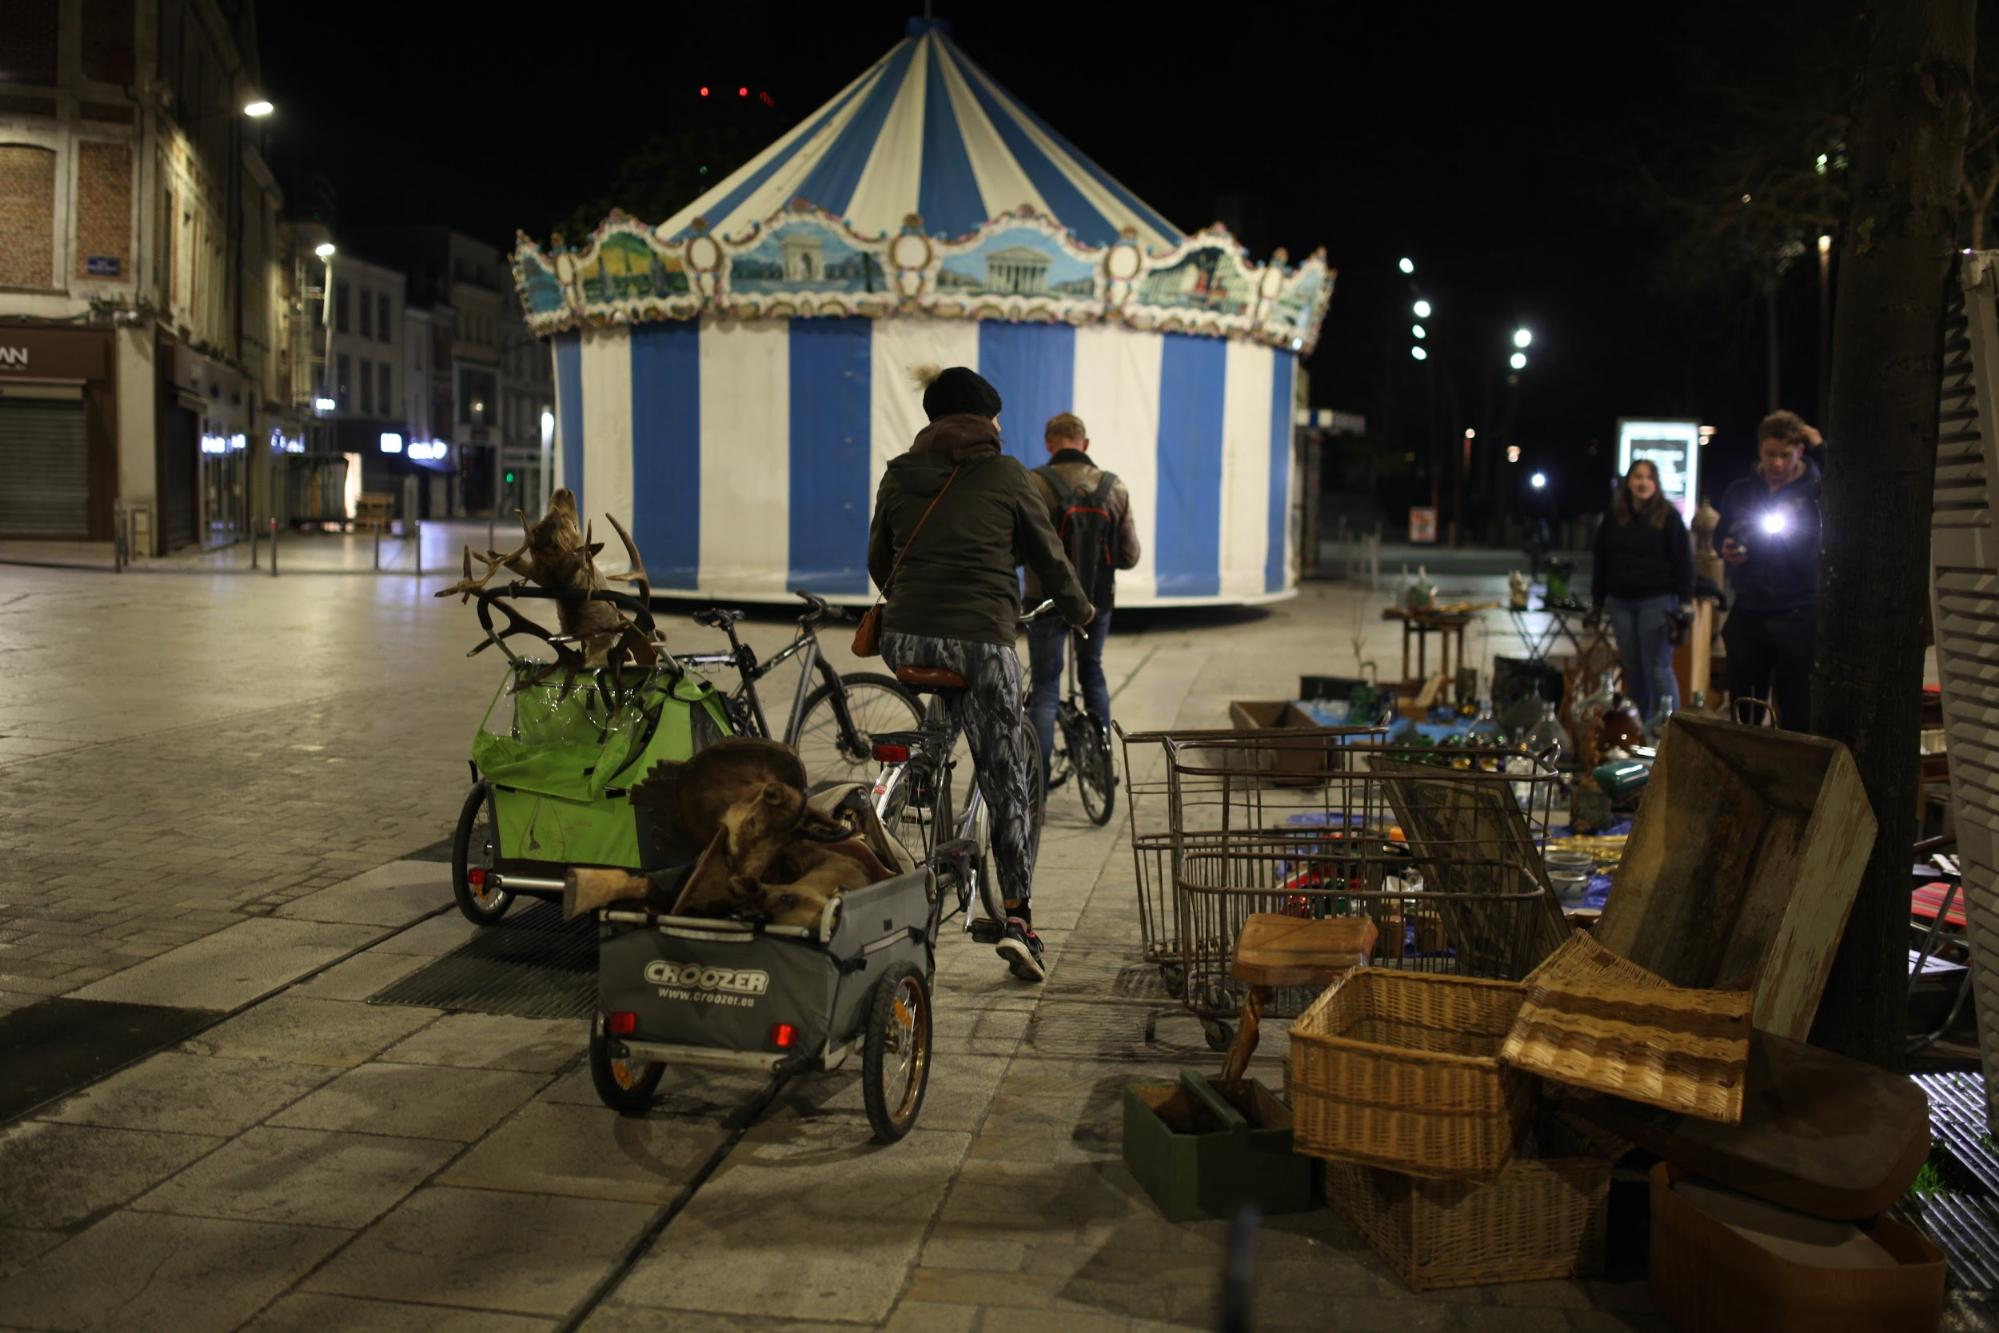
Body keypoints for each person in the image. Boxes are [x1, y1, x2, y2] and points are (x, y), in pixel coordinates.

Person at [866, 366, 1094, 982]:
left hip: (904, 638)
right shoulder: (1007, 473)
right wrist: (1079, 609)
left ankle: (915, 781)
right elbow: (1047, 552)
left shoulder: (898, 471)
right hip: (979, 640)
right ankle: (1019, 918)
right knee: (1005, 769)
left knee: (944, 722)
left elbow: (877, 561)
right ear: (987, 420)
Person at [1025, 411, 1141, 781]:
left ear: (1049, 443)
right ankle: (1102, 766)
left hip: (1045, 601)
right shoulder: (1114, 486)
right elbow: (1129, 556)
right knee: (1092, 672)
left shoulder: (1032, 484)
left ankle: (1036, 783)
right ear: (1085, 444)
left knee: (1045, 686)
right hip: (1096, 602)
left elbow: (1016, 551)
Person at [1713, 410, 1823, 730]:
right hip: (1750, 609)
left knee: (1796, 704)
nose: (1776, 463)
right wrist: (1728, 548)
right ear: (1759, 449)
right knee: (1745, 704)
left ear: (1799, 452)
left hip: (1797, 612)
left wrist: (1822, 447)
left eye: (1784, 455)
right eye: (1769, 454)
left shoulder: (1815, 491)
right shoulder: (1740, 491)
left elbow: (1846, 486)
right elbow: (1722, 532)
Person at [1590, 459, 1693, 733]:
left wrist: (1685, 601)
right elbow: (1600, 562)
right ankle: (1640, 730)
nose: (1643, 482)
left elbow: (1684, 561)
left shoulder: (1668, 517)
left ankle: (1672, 729)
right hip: (1620, 601)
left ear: (1656, 483)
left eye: (1649, 477)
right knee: (1633, 671)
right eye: (1637, 476)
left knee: (1657, 668)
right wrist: (1597, 602)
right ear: (1629, 481)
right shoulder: (1613, 517)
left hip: (1656, 600)